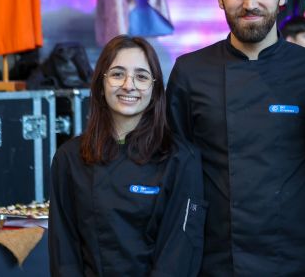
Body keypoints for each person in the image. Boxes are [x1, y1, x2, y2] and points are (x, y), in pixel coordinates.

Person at [166, 0, 305, 276]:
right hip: (216, 256)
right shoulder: (190, 72)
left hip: (297, 255)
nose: (250, 3)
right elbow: (175, 167)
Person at [49, 35, 205, 277]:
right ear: (101, 84)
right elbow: (63, 251)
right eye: (117, 74)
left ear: (155, 89)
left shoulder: (180, 159)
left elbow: (178, 252)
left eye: (141, 77)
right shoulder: (68, 158)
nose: (128, 85)